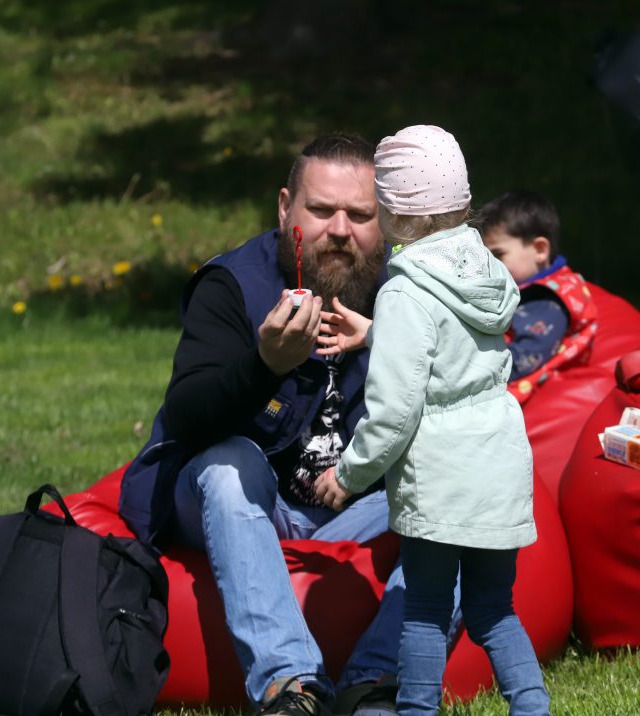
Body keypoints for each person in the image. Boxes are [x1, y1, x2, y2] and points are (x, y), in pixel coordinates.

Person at [118, 133, 407, 716]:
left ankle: (374, 679)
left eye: (360, 215)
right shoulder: (231, 286)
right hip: (240, 503)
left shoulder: (405, 291)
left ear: (386, 222)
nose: (340, 230)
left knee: (466, 483)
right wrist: (264, 365)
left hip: (353, 504)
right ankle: (290, 687)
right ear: (285, 209)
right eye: (321, 211)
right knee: (229, 465)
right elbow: (188, 415)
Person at [314, 125, 551, 716]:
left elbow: (395, 412)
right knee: (495, 609)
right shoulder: (484, 270)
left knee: (423, 607)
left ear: (391, 212)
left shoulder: (404, 291)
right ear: (464, 202)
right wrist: (379, 335)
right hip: (496, 461)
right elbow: (455, 352)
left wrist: (349, 473)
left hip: (442, 475)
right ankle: (532, 708)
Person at [474, 191, 598, 402]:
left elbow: (527, 357)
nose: (488, 265)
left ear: (540, 249)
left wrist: (472, 373)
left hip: (514, 390)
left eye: (497, 255)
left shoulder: (547, 301)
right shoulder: (525, 286)